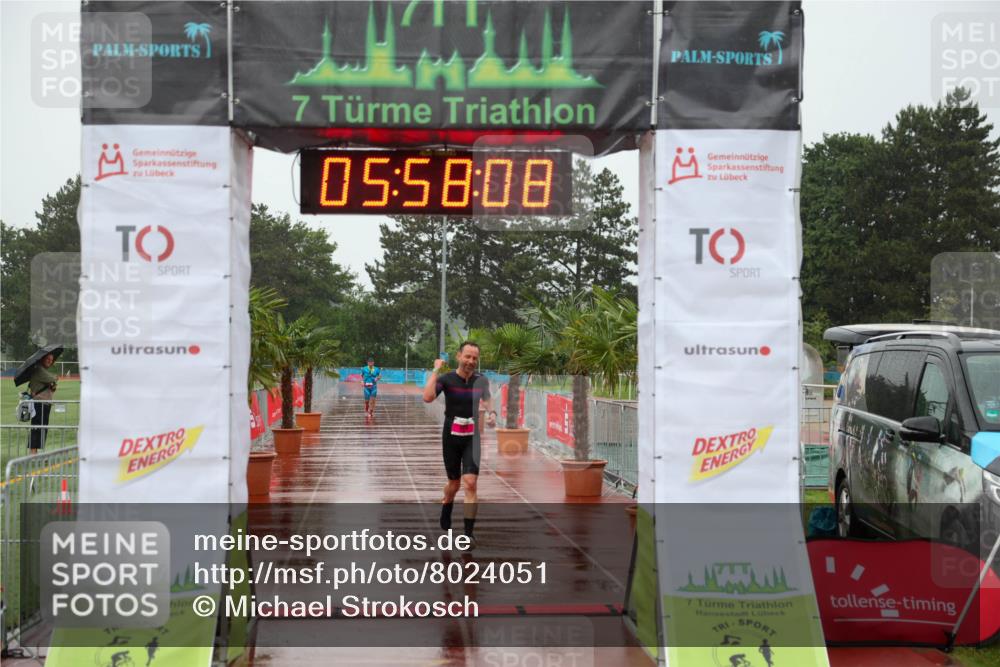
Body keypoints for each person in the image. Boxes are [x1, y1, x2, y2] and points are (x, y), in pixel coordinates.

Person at [423, 342, 496, 546]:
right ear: (459, 356)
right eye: (467, 357)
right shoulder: (447, 379)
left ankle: (468, 533)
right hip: (451, 436)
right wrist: (436, 369)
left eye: (474, 358)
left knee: (471, 483)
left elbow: (488, 399)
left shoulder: (481, 380)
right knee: (454, 484)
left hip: (472, 436)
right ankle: (447, 502)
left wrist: (492, 413)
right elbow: (427, 397)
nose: (471, 361)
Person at [28, 353, 58, 450]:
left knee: (42, 429)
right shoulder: (39, 369)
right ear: (42, 359)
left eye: (51, 359)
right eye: (48, 359)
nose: (50, 361)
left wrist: (52, 387)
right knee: (37, 428)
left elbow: (51, 388)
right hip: (39, 404)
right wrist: (54, 378)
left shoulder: (43, 370)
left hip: (44, 404)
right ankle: (33, 455)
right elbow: (53, 378)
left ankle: (36, 454)